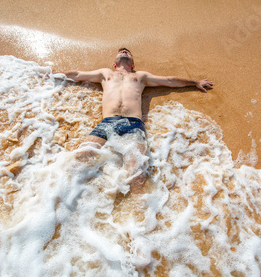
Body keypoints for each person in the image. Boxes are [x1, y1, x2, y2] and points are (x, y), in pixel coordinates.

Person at [57, 48, 213, 194]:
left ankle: (135, 217)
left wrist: (195, 82)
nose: (124, 51)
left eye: (128, 53)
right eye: (121, 51)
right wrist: (52, 75)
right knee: (78, 161)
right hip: (108, 122)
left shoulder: (140, 77)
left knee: (137, 177)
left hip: (133, 124)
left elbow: (169, 81)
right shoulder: (105, 73)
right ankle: (66, 198)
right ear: (114, 63)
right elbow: (77, 75)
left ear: (133, 64)